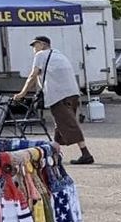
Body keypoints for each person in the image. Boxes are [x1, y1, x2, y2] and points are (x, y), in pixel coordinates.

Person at [13, 35, 94, 165]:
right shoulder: (59, 54)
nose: (33, 48)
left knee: (69, 123)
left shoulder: (40, 55)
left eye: (36, 44)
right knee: (61, 122)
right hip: (73, 93)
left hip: (58, 95)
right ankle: (54, 152)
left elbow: (33, 75)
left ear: (43, 45)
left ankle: (86, 153)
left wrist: (22, 93)